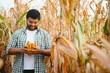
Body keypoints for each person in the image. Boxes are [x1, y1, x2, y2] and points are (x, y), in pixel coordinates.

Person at [6, 9, 51, 73]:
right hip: (19, 70)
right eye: (30, 22)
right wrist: (22, 50)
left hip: (39, 70)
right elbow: (8, 50)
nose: (33, 24)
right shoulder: (18, 33)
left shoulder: (44, 34)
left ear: (38, 21)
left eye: (35, 22)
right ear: (26, 19)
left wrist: (39, 51)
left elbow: (51, 52)